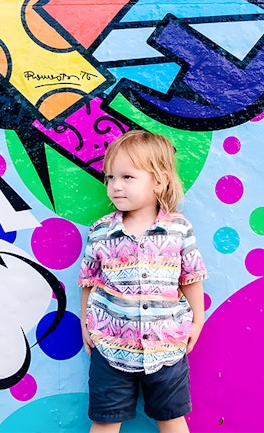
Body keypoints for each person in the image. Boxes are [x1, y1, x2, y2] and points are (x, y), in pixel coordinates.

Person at [78, 130, 207, 433]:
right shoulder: (101, 232)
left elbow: (191, 277)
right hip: (111, 346)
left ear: (159, 181)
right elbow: (89, 281)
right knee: (104, 421)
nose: (115, 186)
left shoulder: (178, 229)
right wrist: (86, 323)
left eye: (127, 177)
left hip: (167, 346)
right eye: (110, 177)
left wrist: (197, 321)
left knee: (172, 418)